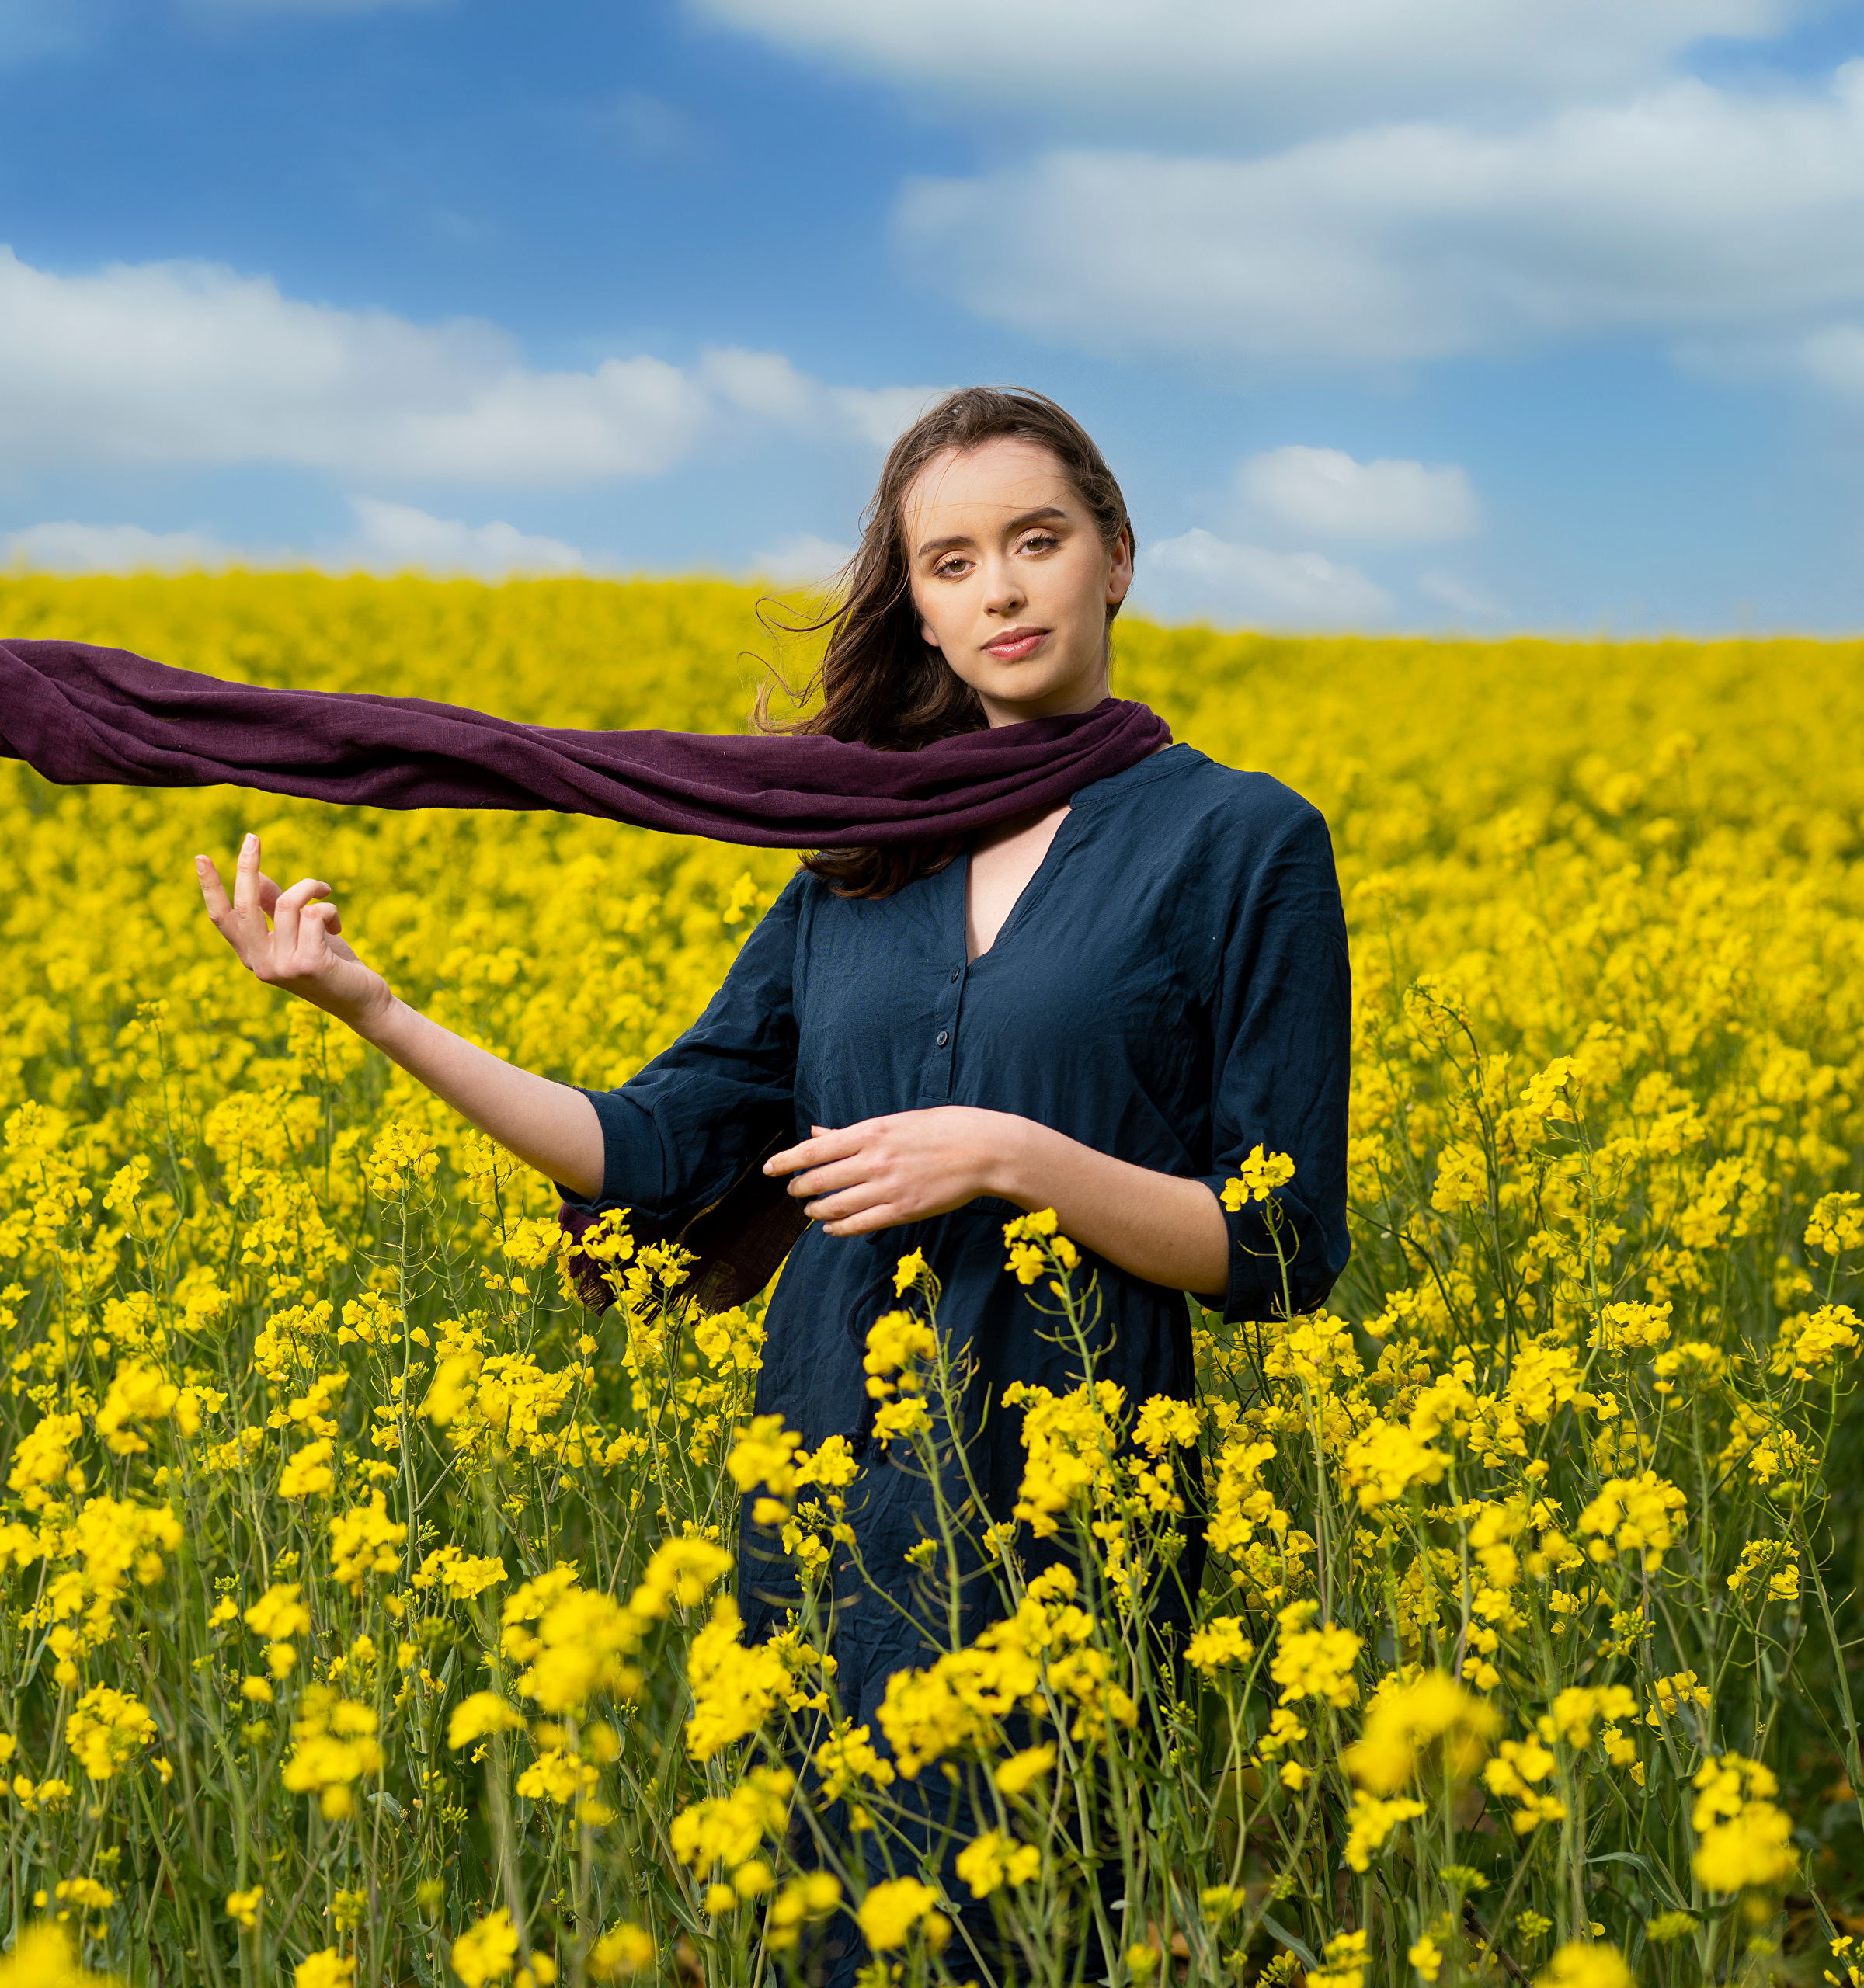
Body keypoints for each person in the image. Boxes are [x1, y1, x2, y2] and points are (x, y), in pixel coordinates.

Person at [192, 386, 1352, 1983]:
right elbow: (658, 1140)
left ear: (1117, 561)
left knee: (1018, 1927)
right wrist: (371, 1009)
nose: (1000, 589)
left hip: (1073, 1475)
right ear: (919, 603)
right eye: (952, 561)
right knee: (825, 1925)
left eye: (1037, 541)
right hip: (824, 1466)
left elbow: (1282, 1242)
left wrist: (1017, 1154)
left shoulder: (1244, 843)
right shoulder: (856, 857)